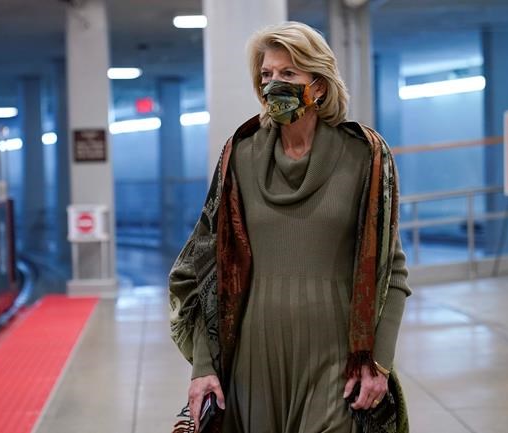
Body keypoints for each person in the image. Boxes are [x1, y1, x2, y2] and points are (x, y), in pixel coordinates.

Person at [169, 22, 411, 433]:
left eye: (288, 73)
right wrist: (204, 367)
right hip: (252, 359)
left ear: (319, 85)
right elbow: (205, 271)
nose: (273, 84)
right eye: (266, 74)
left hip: (336, 357)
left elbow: (393, 270)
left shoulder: (363, 156)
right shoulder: (239, 156)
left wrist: (379, 363)